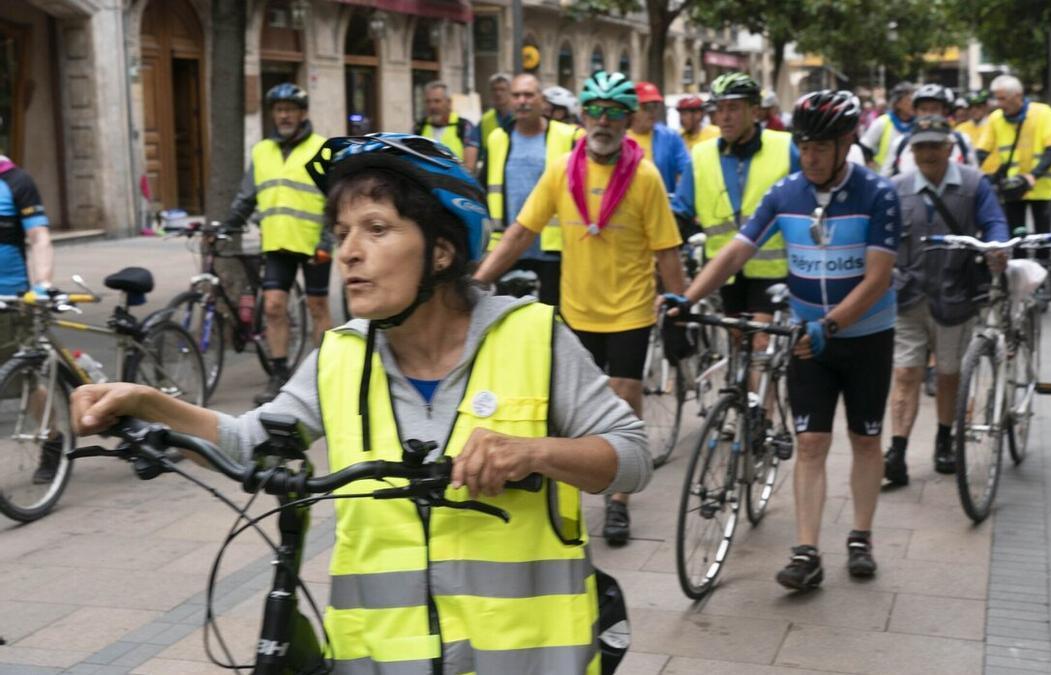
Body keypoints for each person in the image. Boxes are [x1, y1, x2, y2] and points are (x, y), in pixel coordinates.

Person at [72, 131, 650, 674]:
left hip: (524, 656)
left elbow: (631, 455)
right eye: (341, 232)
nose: (347, 253)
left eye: (376, 229)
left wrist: (535, 452)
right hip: (380, 658)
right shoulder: (339, 357)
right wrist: (148, 403)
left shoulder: (533, 337)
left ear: (442, 251)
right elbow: (252, 442)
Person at [669, 90, 897, 592]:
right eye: (804, 146)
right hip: (806, 339)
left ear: (847, 143)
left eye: (820, 148)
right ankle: (807, 551)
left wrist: (832, 323)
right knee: (811, 442)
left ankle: (861, 536)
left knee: (864, 438)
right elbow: (734, 253)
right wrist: (686, 299)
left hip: (865, 338)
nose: (809, 157)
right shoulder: (786, 193)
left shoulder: (877, 194)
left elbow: (877, 279)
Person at [476, 70, 686, 546]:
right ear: (582, 116)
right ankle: (566, 483)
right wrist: (477, 281)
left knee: (624, 391)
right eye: (594, 111)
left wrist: (680, 309)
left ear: (628, 120)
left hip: (630, 308)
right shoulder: (561, 170)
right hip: (577, 308)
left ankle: (618, 501)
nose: (603, 121)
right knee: (565, 409)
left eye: (614, 113)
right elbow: (521, 232)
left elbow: (667, 252)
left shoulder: (646, 177)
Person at [884, 115, 1009, 485]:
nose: (927, 153)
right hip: (908, 296)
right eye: (920, 145)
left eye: (935, 145)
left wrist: (997, 249)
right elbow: (881, 236)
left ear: (950, 148)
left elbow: (995, 223)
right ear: (912, 150)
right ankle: (898, 451)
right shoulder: (896, 188)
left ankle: (944, 440)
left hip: (955, 295)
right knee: (905, 372)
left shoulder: (973, 184)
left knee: (950, 372)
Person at [225, 83, 333, 404]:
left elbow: (335, 199)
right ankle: (279, 372)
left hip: (315, 244)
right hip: (277, 243)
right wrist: (227, 225)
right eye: (279, 110)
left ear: (302, 114)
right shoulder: (262, 152)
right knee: (273, 307)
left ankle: (328, 372)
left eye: (290, 110)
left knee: (318, 307)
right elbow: (247, 197)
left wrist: (327, 241)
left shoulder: (322, 148)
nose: (284, 115)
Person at [672, 71, 799, 343]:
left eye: (733, 108)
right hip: (724, 272)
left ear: (754, 111)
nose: (724, 117)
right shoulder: (701, 155)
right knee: (737, 344)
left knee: (760, 345)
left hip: (771, 271)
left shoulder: (785, 146)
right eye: (719, 109)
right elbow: (681, 211)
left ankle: (761, 383)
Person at [483, 73, 580, 305]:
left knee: (551, 320)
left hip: (554, 250)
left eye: (528, 95)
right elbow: (482, 189)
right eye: (516, 95)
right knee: (508, 319)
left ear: (541, 101)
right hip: (509, 248)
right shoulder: (498, 139)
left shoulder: (568, 137)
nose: (522, 101)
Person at [0, 155, 59, 482]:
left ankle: (53, 442)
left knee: (28, 377)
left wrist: (42, 285)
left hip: (10, 299)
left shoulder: (16, 181)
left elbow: (38, 238)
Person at [975, 74, 1051, 260]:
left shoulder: (1043, 113)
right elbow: (981, 151)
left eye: (1002, 98)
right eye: (996, 98)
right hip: (1012, 189)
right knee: (1016, 240)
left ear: (1018, 96)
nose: (998, 103)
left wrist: (1034, 175)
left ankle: (1044, 277)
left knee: (1042, 238)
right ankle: (1020, 279)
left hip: (1041, 187)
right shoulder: (995, 119)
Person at [881, 83, 976, 178]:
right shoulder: (900, 143)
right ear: (915, 112)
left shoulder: (961, 141)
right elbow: (885, 179)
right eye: (923, 109)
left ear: (945, 111)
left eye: (934, 109)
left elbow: (974, 178)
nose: (928, 115)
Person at [629, 82, 691, 196]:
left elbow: (686, 172)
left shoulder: (670, 137)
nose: (652, 111)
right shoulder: (621, 137)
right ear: (633, 109)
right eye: (646, 107)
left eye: (655, 106)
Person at [415, 80, 479, 170]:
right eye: (428, 102)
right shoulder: (419, 127)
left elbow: (469, 167)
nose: (432, 106)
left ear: (449, 103)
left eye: (437, 101)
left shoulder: (465, 127)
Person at [861, 81, 916, 170]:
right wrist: (871, 164)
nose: (913, 104)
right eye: (909, 100)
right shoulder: (883, 122)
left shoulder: (919, 124)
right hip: (885, 177)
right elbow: (865, 146)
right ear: (898, 103)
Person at [470, 73, 514, 159]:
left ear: (511, 92)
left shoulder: (520, 118)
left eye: (502, 89)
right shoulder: (485, 120)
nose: (498, 93)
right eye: (494, 90)